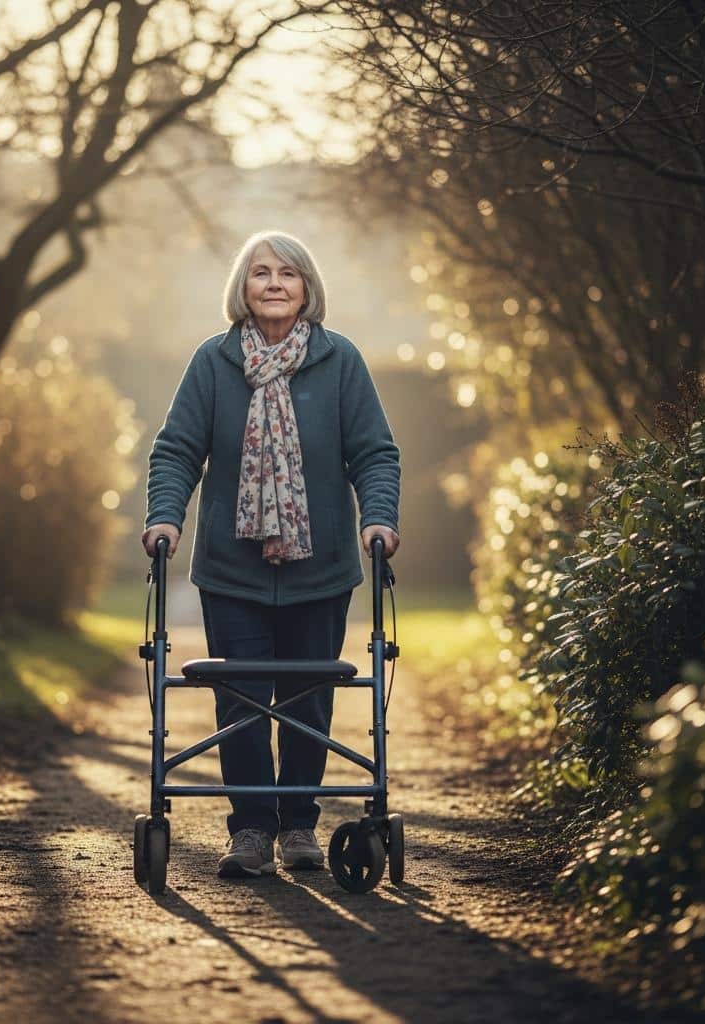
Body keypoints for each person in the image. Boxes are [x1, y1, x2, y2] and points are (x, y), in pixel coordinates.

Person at [141, 229, 401, 879]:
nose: (275, 283)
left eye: (288, 272)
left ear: (308, 287)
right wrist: (165, 519)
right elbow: (177, 450)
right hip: (233, 568)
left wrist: (379, 520)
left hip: (322, 567)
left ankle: (299, 827)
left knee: (310, 698)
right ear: (243, 288)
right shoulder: (214, 361)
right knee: (243, 700)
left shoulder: (341, 362)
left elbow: (374, 453)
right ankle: (252, 830)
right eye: (261, 272)